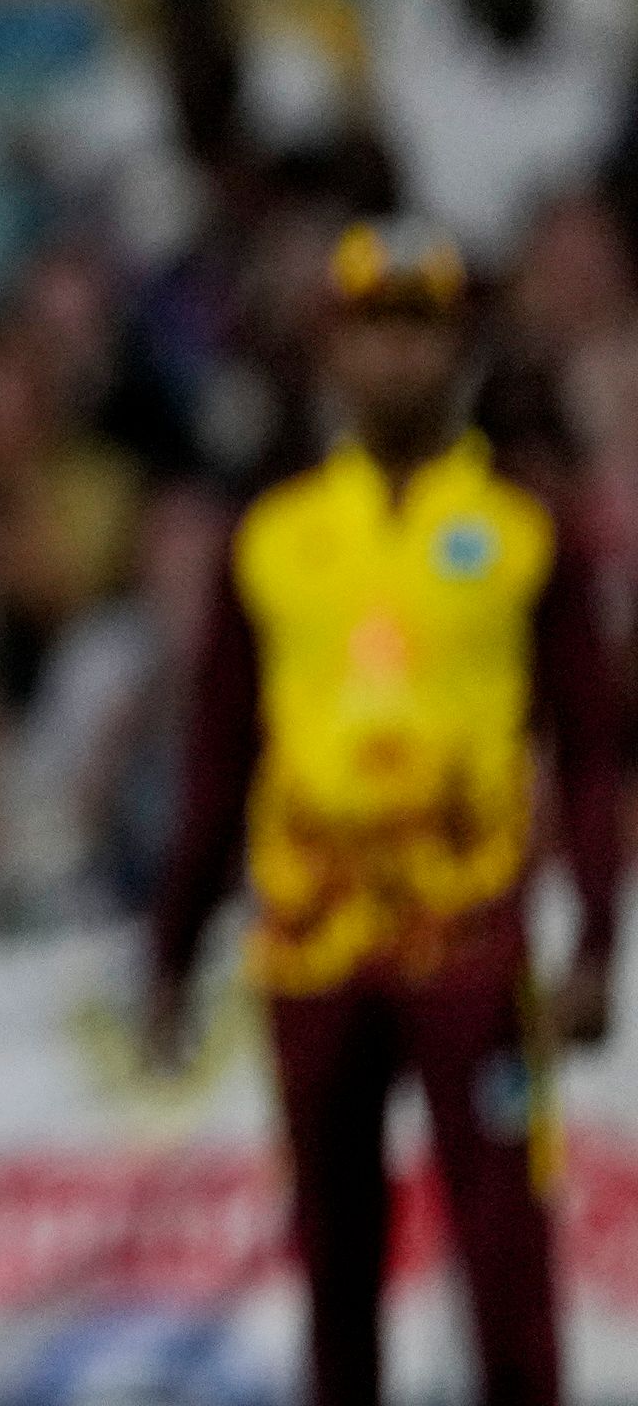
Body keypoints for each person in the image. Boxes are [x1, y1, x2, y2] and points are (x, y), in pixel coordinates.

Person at [147, 222, 620, 1406]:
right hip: (315, 940)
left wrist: (599, 935)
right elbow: (218, 754)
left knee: (505, 1241)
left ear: (459, 347)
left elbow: (593, 746)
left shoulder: (526, 529)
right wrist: (174, 943)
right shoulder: (276, 536)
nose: (397, 357)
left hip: (472, 940)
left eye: (421, 328)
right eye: (374, 328)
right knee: (336, 1252)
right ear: (331, 349)